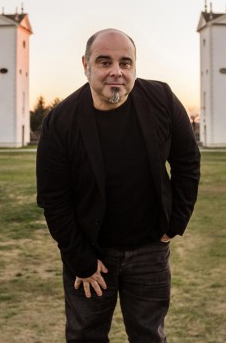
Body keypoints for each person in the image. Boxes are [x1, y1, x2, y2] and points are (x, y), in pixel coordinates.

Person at [36, 28, 200, 342]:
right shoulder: (60, 121)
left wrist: (176, 222)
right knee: (86, 336)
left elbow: (188, 162)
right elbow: (53, 199)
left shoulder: (161, 99)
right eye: (104, 62)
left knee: (149, 336)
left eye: (125, 63)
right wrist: (81, 261)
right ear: (85, 65)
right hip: (91, 256)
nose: (116, 71)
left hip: (151, 249)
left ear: (135, 67)